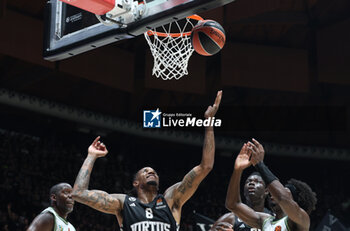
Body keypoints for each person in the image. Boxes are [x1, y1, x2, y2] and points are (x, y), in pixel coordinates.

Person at [72, 91, 223, 231]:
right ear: (135, 183)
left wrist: (209, 122)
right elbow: (78, 193)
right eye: (145, 171)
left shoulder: (171, 200)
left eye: (154, 172)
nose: (151, 172)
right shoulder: (124, 204)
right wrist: (91, 156)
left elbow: (206, 166)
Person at [225, 139, 317, 231]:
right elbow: (233, 204)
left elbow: (282, 198)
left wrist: (260, 164)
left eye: (285, 190)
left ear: (294, 201)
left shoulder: (302, 219)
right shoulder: (264, 220)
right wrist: (238, 170)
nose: (273, 193)